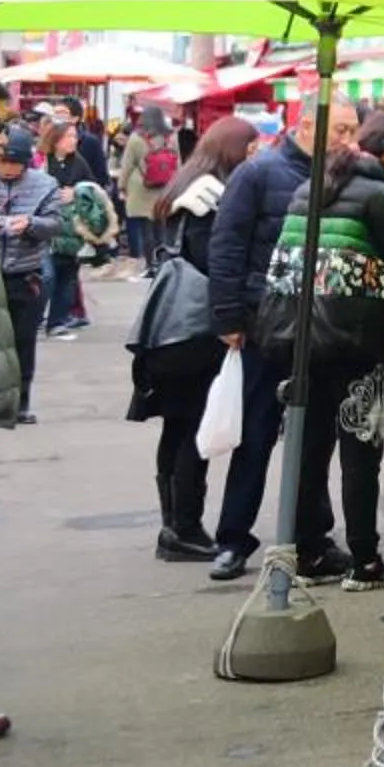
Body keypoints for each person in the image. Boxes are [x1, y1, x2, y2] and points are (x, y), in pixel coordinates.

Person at [268, 113, 384, 589]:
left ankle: (309, 552)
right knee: (361, 452)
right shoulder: (380, 193)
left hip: (299, 339)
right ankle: (365, 560)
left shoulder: (309, 187)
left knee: (310, 449)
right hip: (358, 342)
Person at [205, 108, 336, 579]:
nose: (345, 139)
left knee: (316, 438)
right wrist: (227, 315)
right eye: (337, 129)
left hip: (319, 325)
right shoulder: (258, 173)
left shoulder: (338, 176)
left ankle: (310, 537)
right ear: (305, 128)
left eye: (349, 131)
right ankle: (233, 539)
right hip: (264, 324)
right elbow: (227, 242)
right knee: (256, 435)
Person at [131, 119, 257, 560]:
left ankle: (175, 527)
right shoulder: (209, 196)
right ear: (233, 150)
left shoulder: (183, 186)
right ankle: (183, 527)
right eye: (251, 146)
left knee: (177, 425)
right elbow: (211, 263)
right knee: (191, 429)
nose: (255, 155)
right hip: (195, 329)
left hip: (168, 328)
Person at [0, 128, 63, 425]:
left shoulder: (45, 185)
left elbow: (57, 223)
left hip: (27, 274)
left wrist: (31, 224)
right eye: (0, 163)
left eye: (12, 164)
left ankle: (20, 403)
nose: (6, 170)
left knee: (22, 341)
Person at [44, 122, 117, 340]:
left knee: (67, 276)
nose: (73, 141)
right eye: (68, 136)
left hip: (73, 231)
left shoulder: (79, 162)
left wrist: (77, 192)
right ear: (55, 139)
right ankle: (39, 317)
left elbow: (94, 189)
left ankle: (57, 321)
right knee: (47, 275)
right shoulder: (42, 162)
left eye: (75, 137)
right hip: (46, 229)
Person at [118, 109, 167, 269]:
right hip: (163, 187)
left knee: (146, 228)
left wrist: (121, 186)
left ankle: (149, 264)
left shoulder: (136, 138)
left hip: (142, 186)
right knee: (161, 228)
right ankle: (162, 262)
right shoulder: (169, 137)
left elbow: (127, 165)